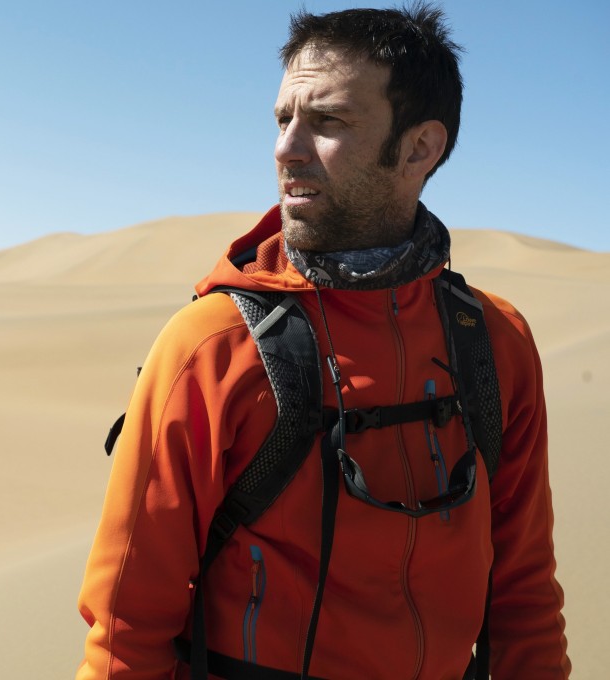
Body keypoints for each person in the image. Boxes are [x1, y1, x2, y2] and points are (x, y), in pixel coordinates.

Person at [76, 5, 570, 679]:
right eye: (283, 119)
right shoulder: (213, 346)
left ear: (421, 147)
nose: (286, 148)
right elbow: (125, 627)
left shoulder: (494, 341)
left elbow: (525, 595)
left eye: (328, 122)